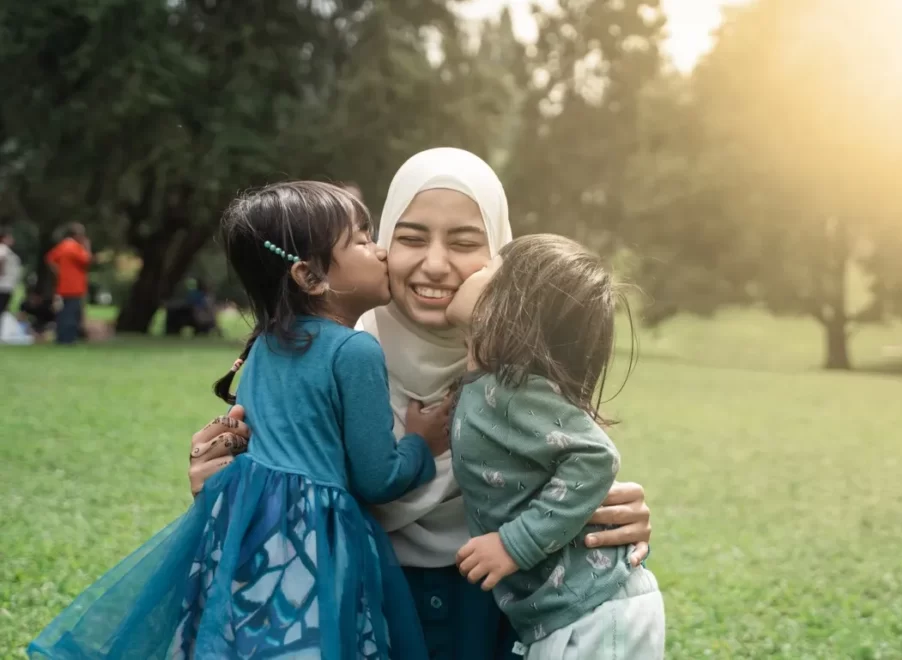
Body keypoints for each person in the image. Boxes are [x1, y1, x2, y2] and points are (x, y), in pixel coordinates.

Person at [188, 148, 653, 659]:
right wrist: (220, 479)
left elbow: (583, 472)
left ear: (500, 252)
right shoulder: (324, 357)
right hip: (355, 600)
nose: (434, 264)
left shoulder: (528, 372)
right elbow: (272, 490)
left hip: (500, 615)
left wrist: (615, 514)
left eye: (465, 241)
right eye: (409, 238)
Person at [28, 182, 452, 659]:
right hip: (313, 535)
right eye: (361, 240)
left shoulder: (265, 343)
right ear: (309, 277)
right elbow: (376, 478)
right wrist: (420, 442)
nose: (380, 252)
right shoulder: (355, 350)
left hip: (243, 524)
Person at [446, 235, 665, 659]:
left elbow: (595, 457)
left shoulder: (511, 388)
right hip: (571, 613)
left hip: (595, 610)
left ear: (502, 307)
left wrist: (514, 544)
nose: (469, 271)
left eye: (486, 268)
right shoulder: (487, 388)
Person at [45, 223, 92, 345]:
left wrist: (59, 272)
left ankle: (61, 337)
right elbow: (87, 260)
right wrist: (87, 247)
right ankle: (68, 339)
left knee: (63, 313)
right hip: (74, 287)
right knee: (71, 313)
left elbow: (50, 259)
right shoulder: (75, 247)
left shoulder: (62, 246)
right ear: (77, 235)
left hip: (63, 285)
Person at [0, 225, 20, 316]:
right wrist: (2, 272)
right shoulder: (3, 248)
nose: (12, 239)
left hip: (6, 285)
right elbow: (1, 259)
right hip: (3, 285)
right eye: (10, 237)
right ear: (4, 238)